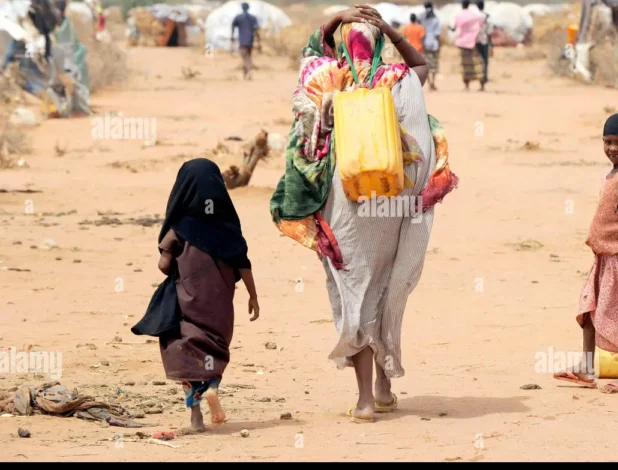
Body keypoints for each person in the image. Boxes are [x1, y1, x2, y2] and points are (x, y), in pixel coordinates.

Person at [269, 4, 458, 423]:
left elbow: (308, 55)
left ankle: (365, 401)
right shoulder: (397, 79)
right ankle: (385, 387)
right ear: (377, 46)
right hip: (391, 204)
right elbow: (422, 65)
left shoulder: (328, 78)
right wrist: (390, 31)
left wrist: (336, 20)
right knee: (386, 288)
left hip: (347, 206)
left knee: (356, 289)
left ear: (342, 45)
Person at [153, 158, 260, 431]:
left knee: (187, 350)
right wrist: (253, 297)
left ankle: (196, 417)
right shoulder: (228, 228)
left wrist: (176, 260)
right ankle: (212, 386)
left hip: (188, 304)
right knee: (215, 347)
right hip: (220, 307)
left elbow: (164, 265)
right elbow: (243, 265)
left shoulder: (179, 228)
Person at [553, 113, 618, 394]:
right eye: (607, 142)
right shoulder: (612, 174)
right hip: (603, 257)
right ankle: (586, 368)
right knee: (589, 309)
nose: (612, 148)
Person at [450, 0, 486, 91]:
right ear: (469, 5)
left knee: (465, 65)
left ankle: (467, 86)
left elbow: (454, 28)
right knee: (477, 64)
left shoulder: (458, 16)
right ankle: (481, 85)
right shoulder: (475, 16)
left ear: (462, 5)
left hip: (462, 43)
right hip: (473, 43)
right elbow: (481, 26)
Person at [231, 2, 261, 80]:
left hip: (242, 41)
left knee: (245, 57)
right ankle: (246, 73)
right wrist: (258, 40)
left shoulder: (238, 17)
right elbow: (256, 29)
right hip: (250, 40)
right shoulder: (253, 18)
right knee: (248, 56)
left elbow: (233, 26)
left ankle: (249, 70)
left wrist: (232, 35)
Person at [420, 2, 441, 91]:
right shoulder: (436, 18)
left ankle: (428, 83)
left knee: (426, 64)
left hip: (424, 44)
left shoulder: (421, 18)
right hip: (434, 44)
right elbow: (437, 34)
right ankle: (433, 83)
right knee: (434, 64)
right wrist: (439, 45)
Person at [475, 1, 491, 86]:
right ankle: (484, 79)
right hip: (484, 41)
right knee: (485, 61)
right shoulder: (486, 16)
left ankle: (478, 77)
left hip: (476, 41)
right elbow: (489, 31)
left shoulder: (474, 16)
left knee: (477, 61)